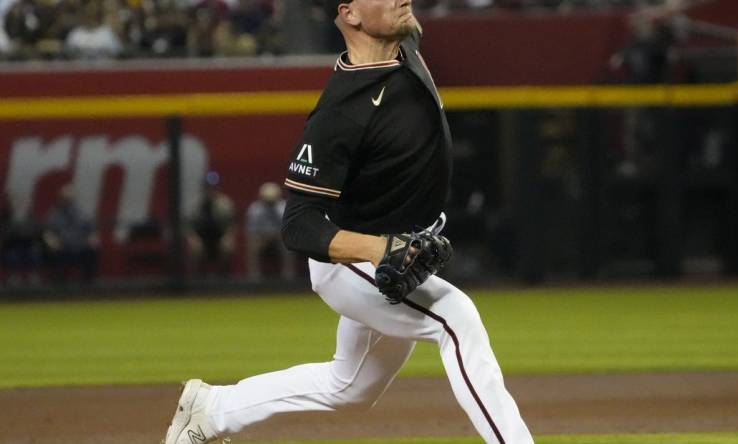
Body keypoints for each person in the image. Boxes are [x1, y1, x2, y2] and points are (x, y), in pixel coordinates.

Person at [163, 1, 533, 443]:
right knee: (456, 320)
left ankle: (211, 410)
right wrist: (380, 251)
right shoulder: (339, 113)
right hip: (352, 261)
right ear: (351, 15)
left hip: (403, 249)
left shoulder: (405, 44)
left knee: (350, 386)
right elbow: (297, 224)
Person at [43, 184, 99, 283]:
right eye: (64, 198)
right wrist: (52, 242)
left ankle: (88, 283)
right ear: (59, 198)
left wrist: (93, 239)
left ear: (74, 199)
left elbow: (91, 230)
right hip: (63, 247)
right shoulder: (53, 214)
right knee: (55, 252)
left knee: (92, 251)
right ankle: (60, 282)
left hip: (81, 246)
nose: (67, 200)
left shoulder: (83, 213)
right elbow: (48, 232)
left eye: (69, 198)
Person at [186, 172, 237, 275]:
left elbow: (231, 225)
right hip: (201, 237)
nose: (210, 190)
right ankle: (197, 279)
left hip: (219, 237)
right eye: (208, 187)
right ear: (203, 188)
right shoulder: (195, 204)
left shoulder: (225, 204)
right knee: (195, 247)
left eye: (213, 188)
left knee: (227, 246)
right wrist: (193, 238)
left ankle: (224, 277)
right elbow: (188, 226)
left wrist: (228, 237)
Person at [245, 182, 295, 280]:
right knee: (253, 246)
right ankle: (254, 277)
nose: (269, 203)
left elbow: (288, 229)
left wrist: (276, 235)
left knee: (288, 245)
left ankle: (288, 276)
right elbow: (251, 231)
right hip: (262, 239)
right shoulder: (255, 209)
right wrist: (263, 238)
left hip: (279, 238)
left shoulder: (283, 207)